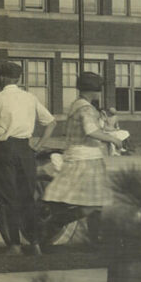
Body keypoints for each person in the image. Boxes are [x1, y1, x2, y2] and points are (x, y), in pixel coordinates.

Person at [0, 60, 57, 256]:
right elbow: (51, 122)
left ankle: (15, 245)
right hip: (26, 149)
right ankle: (35, 244)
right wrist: (39, 145)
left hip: (4, 149)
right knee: (27, 197)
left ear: (3, 77)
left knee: (8, 198)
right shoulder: (30, 98)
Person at [43, 71, 125, 234]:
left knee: (96, 203)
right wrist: (114, 140)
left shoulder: (77, 104)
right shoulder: (86, 108)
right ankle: (54, 224)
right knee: (91, 204)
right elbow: (91, 131)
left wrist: (109, 131)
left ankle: (95, 238)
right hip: (85, 159)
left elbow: (93, 129)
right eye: (98, 89)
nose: (99, 92)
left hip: (84, 156)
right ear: (94, 90)